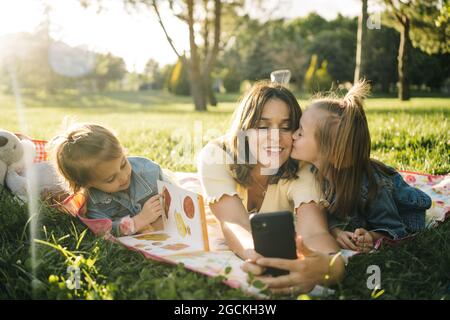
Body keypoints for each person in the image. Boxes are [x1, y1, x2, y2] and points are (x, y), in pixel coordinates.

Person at [197, 81, 345, 294]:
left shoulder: (300, 166)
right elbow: (234, 223)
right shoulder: (215, 157)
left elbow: (313, 231)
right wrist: (258, 256)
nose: (275, 137)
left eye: (286, 127)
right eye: (263, 126)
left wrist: (329, 267)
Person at [289, 80, 432, 252]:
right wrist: (335, 231)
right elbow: (323, 216)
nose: (294, 134)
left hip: (404, 213)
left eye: (301, 132)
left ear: (329, 151)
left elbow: (396, 230)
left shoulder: (371, 187)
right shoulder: (310, 171)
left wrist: (372, 237)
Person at [51, 123, 165, 236]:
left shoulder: (149, 171)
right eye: (110, 179)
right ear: (87, 184)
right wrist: (138, 222)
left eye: (123, 164)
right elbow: (104, 231)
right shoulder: (94, 203)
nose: (123, 177)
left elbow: (176, 200)